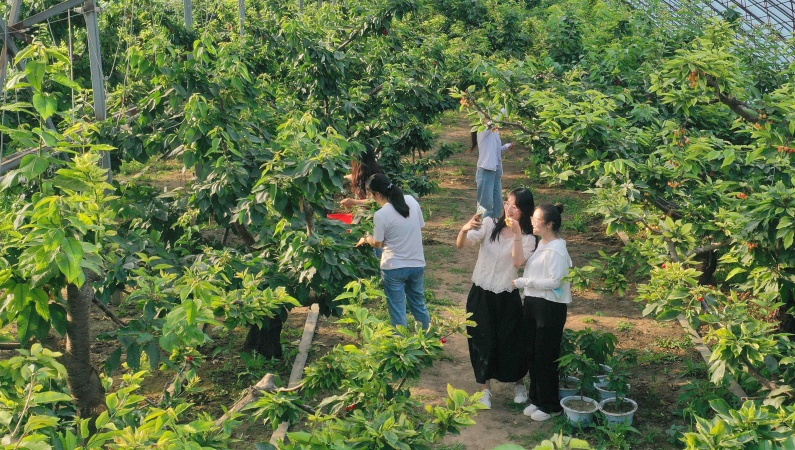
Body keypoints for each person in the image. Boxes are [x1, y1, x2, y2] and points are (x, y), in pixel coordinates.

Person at [456, 187, 537, 409]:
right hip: (481, 292)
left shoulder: (529, 238)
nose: (509, 209)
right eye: (507, 203)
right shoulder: (490, 224)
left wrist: (518, 235)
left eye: (515, 206)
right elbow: (462, 244)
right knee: (482, 340)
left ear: (525, 211)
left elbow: (517, 262)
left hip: (506, 294)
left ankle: (518, 385)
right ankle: (485, 390)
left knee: (512, 341)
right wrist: (464, 230)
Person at [513, 203, 573, 422]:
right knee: (533, 353)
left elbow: (556, 282)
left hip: (549, 307)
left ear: (549, 224)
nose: (532, 222)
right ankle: (536, 399)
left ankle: (550, 405)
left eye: (537, 220)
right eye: (533, 218)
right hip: (534, 303)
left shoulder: (557, 250)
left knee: (546, 356)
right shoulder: (542, 243)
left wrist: (525, 281)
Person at [357, 173, 431, 330]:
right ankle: (428, 338)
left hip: (393, 267)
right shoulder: (411, 200)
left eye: (370, 194)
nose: (370, 197)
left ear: (377, 194)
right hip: (417, 263)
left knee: (398, 310)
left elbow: (378, 244)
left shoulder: (381, 215)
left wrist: (366, 238)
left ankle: (400, 347)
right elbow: (420, 225)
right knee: (418, 303)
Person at [471, 127, 513, 219]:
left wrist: (506, 146)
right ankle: (481, 227)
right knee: (485, 205)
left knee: (497, 204)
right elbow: (494, 118)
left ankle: (494, 229)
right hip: (486, 171)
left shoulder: (495, 131)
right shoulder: (483, 130)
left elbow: (496, 152)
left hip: (496, 171)